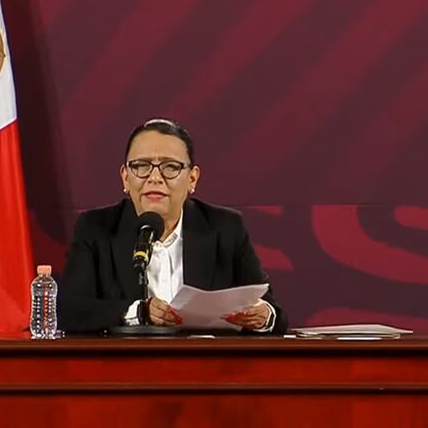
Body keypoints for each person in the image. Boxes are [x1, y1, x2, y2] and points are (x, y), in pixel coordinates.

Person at [59, 118, 288, 334]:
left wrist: (263, 316)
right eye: (141, 166)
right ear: (125, 178)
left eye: (170, 167)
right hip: (125, 368)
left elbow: (273, 311)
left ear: (192, 179)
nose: (155, 177)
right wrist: (139, 312)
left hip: (208, 368)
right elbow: (70, 311)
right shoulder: (96, 228)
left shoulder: (225, 228)